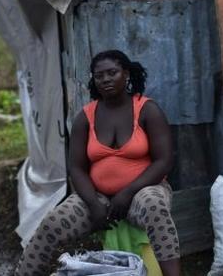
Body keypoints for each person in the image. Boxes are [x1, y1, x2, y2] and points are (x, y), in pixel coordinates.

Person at [15, 49, 180, 276]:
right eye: (99, 75)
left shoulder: (146, 110)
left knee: (155, 208)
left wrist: (128, 192)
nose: (106, 80)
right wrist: (93, 204)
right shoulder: (86, 117)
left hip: (142, 190)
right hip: (98, 197)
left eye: (112, 73)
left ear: (126, 74)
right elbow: (76, 168)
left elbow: (164, 161)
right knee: (52, 223)